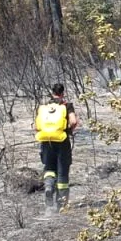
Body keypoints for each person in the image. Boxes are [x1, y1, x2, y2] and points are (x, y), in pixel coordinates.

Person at [34, 83, 80, 211]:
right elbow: (73, 121)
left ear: (52, 92)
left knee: (49, 168)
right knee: (62, 173)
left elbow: (36, 127)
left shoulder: (45, 107)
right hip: (62, 141)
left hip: (46, 142)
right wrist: (70, 129)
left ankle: (48, 187)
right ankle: (61, 204)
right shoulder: (67, 106)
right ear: (62, 93)